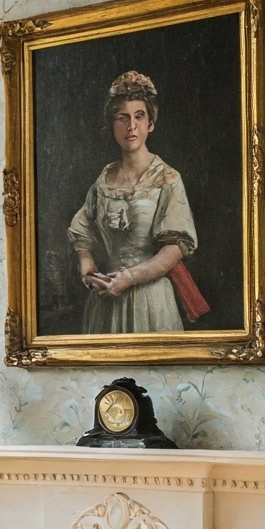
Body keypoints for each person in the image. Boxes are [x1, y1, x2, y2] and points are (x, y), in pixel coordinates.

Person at [67, 70, 207, 334]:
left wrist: (131, 277)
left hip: (150, 299)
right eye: (123, 118)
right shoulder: (105, 179)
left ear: (150, 123)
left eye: (139, 116)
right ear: (113, 124)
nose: (131, 126)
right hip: (107, 298)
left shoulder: (168, 178)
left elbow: (175, 248)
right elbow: (82, 231)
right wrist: (88, 270)